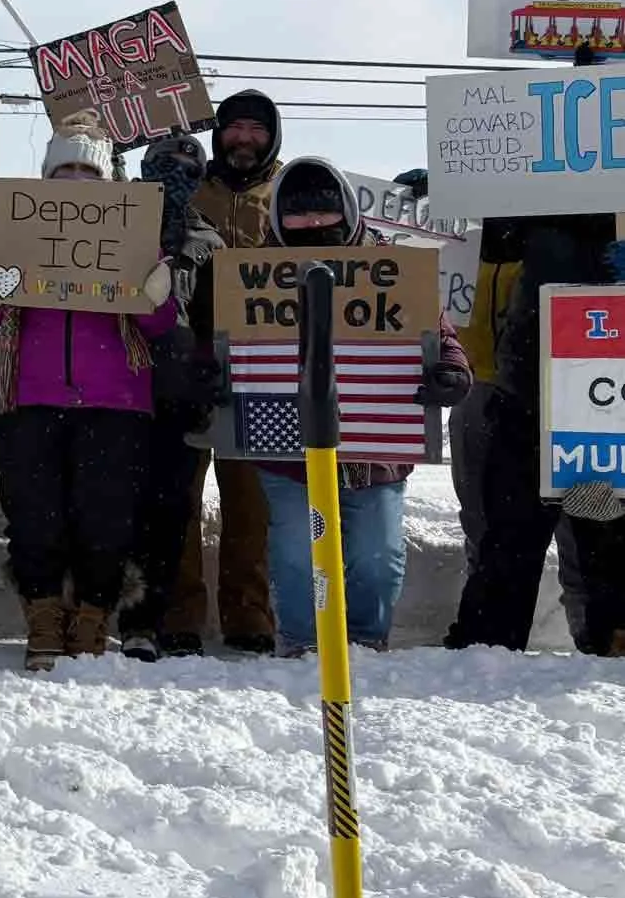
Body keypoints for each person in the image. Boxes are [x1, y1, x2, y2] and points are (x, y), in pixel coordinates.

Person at [0, 117, 177, 670]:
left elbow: (159, 326)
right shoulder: (16, 229)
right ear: (47, 175)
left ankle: (90, 621)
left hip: (115, 404)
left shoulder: (133, 237)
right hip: (30, 400)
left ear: (106, 178)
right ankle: (43, 621)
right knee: (35, 519)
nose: (78, 178)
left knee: (104, 521)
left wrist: (154, 295)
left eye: (88, 168)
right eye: (66, 168)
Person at [249, 159, 471, 655]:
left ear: (347, 211)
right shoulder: (252, 275)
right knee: (295, 557)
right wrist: (212, 374)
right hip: (289, 452)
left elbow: (439, 333)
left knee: (377, 556)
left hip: (377, 447)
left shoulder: (393, 270)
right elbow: (228, 344)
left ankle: (367, 643)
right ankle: (303, 646)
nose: (312, 224)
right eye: (298, 214)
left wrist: (453, 371)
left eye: (324, 212)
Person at [451, 50, 625, 654]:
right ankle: (486, 650)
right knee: (511, 531)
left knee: (603, 530)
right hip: (532, 384)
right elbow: (489, 241)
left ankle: (607, 644)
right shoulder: (537, 174)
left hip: (605, 403)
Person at [181, 89, 285, 652]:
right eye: (234, 128)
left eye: (256, 130)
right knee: (180, 499)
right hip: (189, 363)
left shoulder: (291, 189)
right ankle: (181, 617)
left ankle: (249, 618)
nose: (244, 139)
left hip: (262, 369)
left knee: (252, 503)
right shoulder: (188, 186)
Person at [454, 213, 591, 641]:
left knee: (591, 532)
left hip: (585, 387)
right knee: (498, 527)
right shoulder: (486, 218)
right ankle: (487, 640)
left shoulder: (589, 221)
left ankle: (597, 637)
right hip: (499, 387)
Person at [115, 130, 224, 660]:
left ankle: (144, 622)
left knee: (167, 516)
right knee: (105, 508)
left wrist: (210, 377)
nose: (174, 174)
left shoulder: (209, 243)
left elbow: (217, 323)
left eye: (187, 167)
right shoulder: (109, 220)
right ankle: (92, 614)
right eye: (162, 163)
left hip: (177, 398)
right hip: (109, 392)